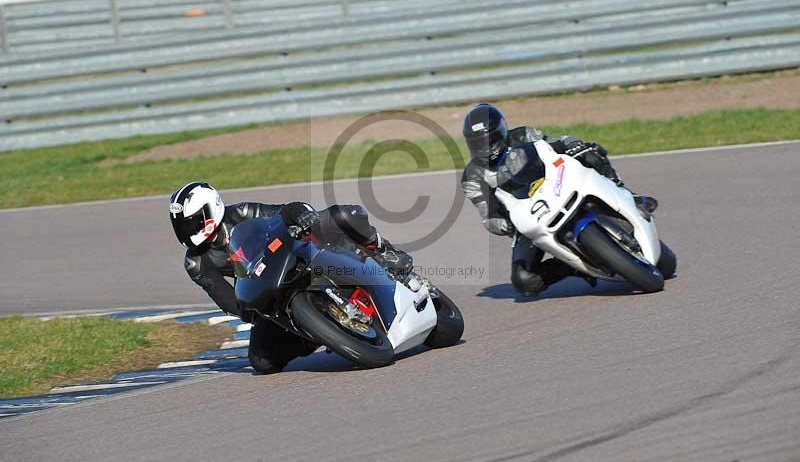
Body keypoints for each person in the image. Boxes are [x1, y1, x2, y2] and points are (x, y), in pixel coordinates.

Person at [168, 181, 412, 373]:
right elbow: (226, 299)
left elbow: (281, 214)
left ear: (210, 210)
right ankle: (313, 334)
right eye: (181, 226)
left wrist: (298, 213)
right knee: (262, 361)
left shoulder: (242, 213)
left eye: (190, 224)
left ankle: (385, 252)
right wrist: (249, 309)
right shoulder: (196, 263)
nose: (186, 232)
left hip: (295, 255)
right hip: (270, 291)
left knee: (345, 216)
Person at [460, 103, 657, 297]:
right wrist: (506, 225)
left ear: (501, 130)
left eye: (489, 139)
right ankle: (575, 267)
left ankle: (630, 196)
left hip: (558, 185)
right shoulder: (472, 177)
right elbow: (488, 216)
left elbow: (557, 142)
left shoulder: (523, 135)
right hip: (527, 215)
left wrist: (574, 146)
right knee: (524, 280)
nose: (485, 147)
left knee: (591, 153)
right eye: (477, 143)